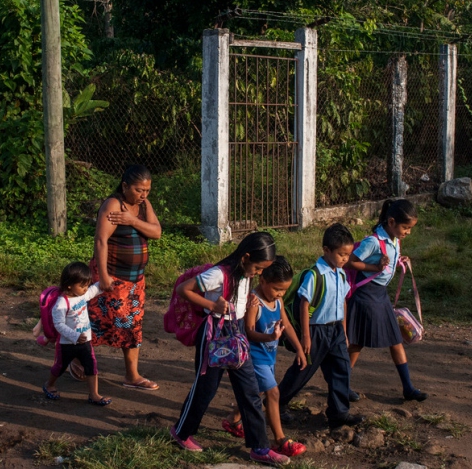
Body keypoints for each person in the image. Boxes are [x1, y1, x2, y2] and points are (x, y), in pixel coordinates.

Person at [170, 232, 290, 467]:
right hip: (215, 333)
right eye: (257, 268)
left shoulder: (246, 273)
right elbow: (184, 289)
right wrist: (212, 304)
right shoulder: (219, 274)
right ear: (245, 257)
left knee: (250, 391)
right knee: (205, 387)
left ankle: (260, 447)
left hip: (237, 334)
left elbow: (241, 297)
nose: (258, 274)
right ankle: (181, 433)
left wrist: (249, 302)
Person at [73, 165, 162, 390]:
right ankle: (76, 358)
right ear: (124, 186)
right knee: (94, 321)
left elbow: (156, 232)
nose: (143, 195)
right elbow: (101, 240)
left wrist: (132, 220)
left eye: (147, 190)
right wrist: (103, 276)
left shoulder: (143, 206)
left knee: (133, 326)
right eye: (139, 190)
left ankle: (132, 376)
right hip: (111, 277)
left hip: (134, 282)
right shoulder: (113, 205)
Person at [277, 223, 364, 430]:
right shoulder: (314, 275)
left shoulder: (341, 274)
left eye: (348, 255)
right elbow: (304, 304)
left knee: (341, 369)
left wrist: (343, 329)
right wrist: (306, 337)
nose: (345, 259)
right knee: (302, 370)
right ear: (326, 250)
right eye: (342, 254)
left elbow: (343, 300)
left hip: (335, 331)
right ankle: (277, 403)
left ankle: (339, 414)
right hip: (316, 330)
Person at [223, 256, 307, 457]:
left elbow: (286, 325)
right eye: (277, 289)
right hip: (255, 357)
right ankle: (280, 440)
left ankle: (233, 420)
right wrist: (270, 336)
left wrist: (299, 349)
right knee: (273, 393)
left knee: (257, 392)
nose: (281, 293)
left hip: (269, 358)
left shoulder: (277, 300)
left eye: (284, 290)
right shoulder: (255, 302)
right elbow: (249, 331)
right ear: (263, 281)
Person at [346, 199, 427, 402]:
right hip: (366, 296)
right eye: (406, 227)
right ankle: (342, 385)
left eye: (410, 228)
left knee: (395, 339)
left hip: (380, 295)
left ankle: (408, 388)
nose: (407, 232)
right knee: (357, 341)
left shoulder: (394, 239)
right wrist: (375, 268)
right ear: (391, 221)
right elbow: (350, 261)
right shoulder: (373, 242)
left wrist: (399, 260)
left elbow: (387, 260)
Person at [42, 262, 112, 406]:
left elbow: (94, 289)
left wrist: (105, 282)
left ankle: (94, 394)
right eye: (82, 285)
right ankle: (49, 385)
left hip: (85, 342)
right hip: (67, 344)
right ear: (69, 285)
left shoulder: (82, 295)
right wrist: (74, 336)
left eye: (87, 284)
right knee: (59, 367)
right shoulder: (61, 303)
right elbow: (59, 325)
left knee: (91, 366)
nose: (86, 288)